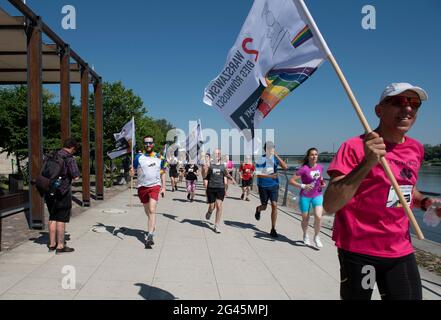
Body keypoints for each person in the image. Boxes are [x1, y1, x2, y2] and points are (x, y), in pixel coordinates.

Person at [324, 83, 441, 300]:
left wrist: (426, 202)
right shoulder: (354, 147)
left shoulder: (416, 148)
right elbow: (330, 204)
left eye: (414, 104)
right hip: (359, 250)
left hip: (400, 248)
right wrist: (367, 163)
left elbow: (406, 190)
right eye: (398, 102)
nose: (408, 109)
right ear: (379, 110)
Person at [130, 136, 166, 249]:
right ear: (144, 144)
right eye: (146, 143)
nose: (148, 145)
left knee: (152, 209)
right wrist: (131, 172)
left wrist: (164, 187)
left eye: (150, 143)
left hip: (155, 186)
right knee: (147, 211)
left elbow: (163, 172)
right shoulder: (138, 157)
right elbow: (133, 171)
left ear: (153, 144)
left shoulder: (160, 157)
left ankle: (150, 236)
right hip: (142, 187)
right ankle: (152, 223)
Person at [45, 138, 80, 254]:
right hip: (62, 192)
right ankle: (60, 246)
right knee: (61, 219)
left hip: (49, 190)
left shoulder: (51, 155)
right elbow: (76, 176)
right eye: (75, 150)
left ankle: (51, 244)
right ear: (72, 148)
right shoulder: (69, 158)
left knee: (52, 217)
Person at [289, 148, 326, 248]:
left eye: (316, 154)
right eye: (312, 155)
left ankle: (317, 236)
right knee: (305, 218)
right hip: (305, 196)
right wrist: (303, 186)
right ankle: (305, 234)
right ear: (308, 157)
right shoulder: (304, 169)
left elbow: (320, 178)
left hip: (317, 195)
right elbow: (291, 181)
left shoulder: (320, 167)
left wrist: (322, 183)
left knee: (318, 216)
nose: (314, 156)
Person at [254, 142, 288, 237]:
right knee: (264, 207)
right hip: (263, 186)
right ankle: (258, 209)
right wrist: (270, 176)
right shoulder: (261, 159)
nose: (270, 150)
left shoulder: (275, 158)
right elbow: (258, 174)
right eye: (268, 148)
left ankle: (273, 228)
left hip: (274, 186)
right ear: (265, 149)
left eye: (272, 148)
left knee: (274, 205)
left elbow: (285, 167)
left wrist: (277, 156)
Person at [204, 149, 235, 233]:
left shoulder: (222, 166)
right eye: (215, 153)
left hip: (220, 188)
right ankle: (209, 212)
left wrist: (232, 178)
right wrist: (205, 167)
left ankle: (216, 225)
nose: (217, 155)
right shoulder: (210, 165)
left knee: (219, 206)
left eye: (218, 153)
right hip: (211, 188)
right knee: (212, 206)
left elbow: (226, 174)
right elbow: (205, 176)